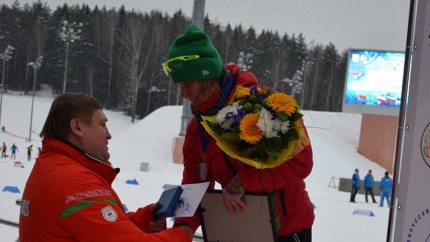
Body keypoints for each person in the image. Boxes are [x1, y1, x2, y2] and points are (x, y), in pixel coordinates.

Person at [164, 24, 314, 242]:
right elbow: (194, 182)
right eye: (179, 86)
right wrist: (184, 226)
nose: (184, 94)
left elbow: (302, 162)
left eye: (188, 84)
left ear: (206, 77)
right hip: (237, 230)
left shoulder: (267, 107)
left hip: (287, 231)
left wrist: (244, 181)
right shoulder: (198, 128)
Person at [19, 93, 192, 242]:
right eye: (102, 125)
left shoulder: (52, 166)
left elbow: (95, 228)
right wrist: (184, 233)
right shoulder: (75, 182)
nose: (108, 134)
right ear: (77, 127)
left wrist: (145, 219)